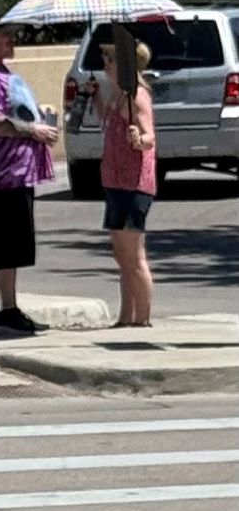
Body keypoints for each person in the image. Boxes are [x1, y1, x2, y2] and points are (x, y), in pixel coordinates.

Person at [0, 14, 58, 334]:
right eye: (4, 35)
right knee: (8, 241)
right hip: (1, 172)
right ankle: (8, 310)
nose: (10, 39)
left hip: (9, 172)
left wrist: (34, 115)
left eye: (12, 34)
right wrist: (33, 130)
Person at [87, 40, 156, 327]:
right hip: (115, 179)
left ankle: (143, 318)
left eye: (110, 59)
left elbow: (150, 135)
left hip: (133, 182)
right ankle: (126, 315)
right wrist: (96, 99)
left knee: (133, 253)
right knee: (121, 253)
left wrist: (139, 141)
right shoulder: (118, 95)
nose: (105, 63)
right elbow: (105, 121)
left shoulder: (136, 96)